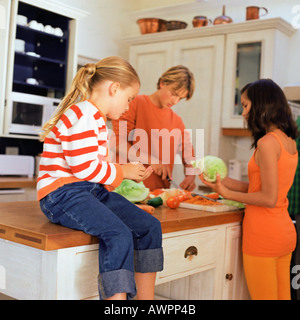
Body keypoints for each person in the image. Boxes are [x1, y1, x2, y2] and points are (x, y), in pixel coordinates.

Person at [37, 56, 163, 300]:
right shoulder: (83, 113)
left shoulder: (95, 119)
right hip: (61, 194)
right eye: (128, 99)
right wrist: (123, 171)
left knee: (149, 227)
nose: (128, 107)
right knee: (119, 234)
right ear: (114, 88)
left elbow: (94, 171)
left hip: (88, 191)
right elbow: (84, 168)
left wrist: (126, 183)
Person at [200, 79, 299, 300]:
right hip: (283, 233)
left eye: (245, 105)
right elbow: (261, 187)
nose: (243, 113)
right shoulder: (288, 142)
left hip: (263, 234)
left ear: (262, 105)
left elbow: (268, 197)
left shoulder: (267, 143)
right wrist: (222, 181)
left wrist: (226, 194)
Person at [112, 65, 196, 191]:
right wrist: (152, 160)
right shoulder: (134, 104)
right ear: (162, 83)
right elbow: (118, 143)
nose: (175, 101)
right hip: (127, 188)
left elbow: (189, 154)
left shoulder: (177, 121)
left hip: (159, 192)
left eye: (180, 98)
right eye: (174, 94)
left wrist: (191, 176)